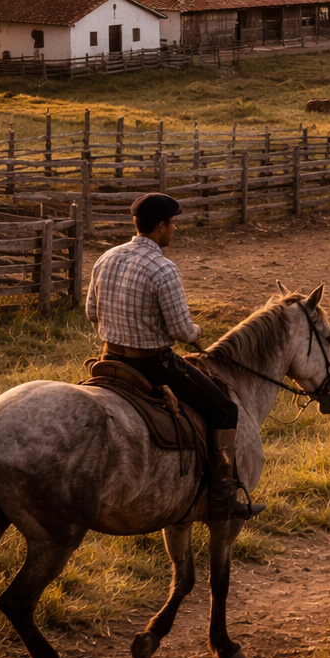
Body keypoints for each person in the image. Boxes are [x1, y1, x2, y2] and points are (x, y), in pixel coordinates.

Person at [85, 193, 260, 521]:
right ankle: (222, 498)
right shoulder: (164, 269)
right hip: (153, 364)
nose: (175, 229)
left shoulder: (105, 258)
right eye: (173, 223)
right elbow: (180, 329)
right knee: (224, 409)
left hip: (110, 359)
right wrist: (196, 334)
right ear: (161, 226)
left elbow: (92, 313)